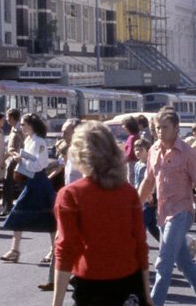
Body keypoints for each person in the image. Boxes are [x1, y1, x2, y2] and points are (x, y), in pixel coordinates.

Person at [52, 121, 150, 306]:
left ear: (79, 155)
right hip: (130, 283)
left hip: (91, 286)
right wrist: (146, 292)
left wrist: (56, 302)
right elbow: (140, 243)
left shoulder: (70, 195)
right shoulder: (128, 192)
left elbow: (65, 249)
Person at [138, 108, 196, 306]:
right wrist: (133, 207)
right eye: (157, 128)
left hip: (182, 212)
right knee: (184, 263)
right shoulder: (154, 150)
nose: (160, 131)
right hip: (162, 213)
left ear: (176, 128)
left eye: (165, 127)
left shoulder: (188, 153)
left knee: (164, 262)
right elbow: (148, 181)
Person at [1, 113, 56, 264]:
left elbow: (40, 164)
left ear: (31, 125)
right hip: (30, 181)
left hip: (39, 182)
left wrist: (22, 161)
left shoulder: (40, 142)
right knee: (19, 214)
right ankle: (15, 250)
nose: (21, 127)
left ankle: (53, 250)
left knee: (49, 217)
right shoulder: (29, 140)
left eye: (24, 124)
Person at [1, 108, 25, 217]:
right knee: (10, 184)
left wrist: (4, 158)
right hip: (13, 158)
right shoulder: (14, 129)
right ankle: (7, 206)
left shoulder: (18, 130)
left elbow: (15, 148)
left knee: (9, 184)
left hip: (15, 159)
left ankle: (7, 207)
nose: (6, 120)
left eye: (7, 117)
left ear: (11, 117)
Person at [122, 116, 140, 185]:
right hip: (135, 163)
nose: (122, 127)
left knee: (131, 182)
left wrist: (118, 164)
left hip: (132, 163)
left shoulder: (132, 138)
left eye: (123, 125)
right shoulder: (136, 135)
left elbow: (129, 155)